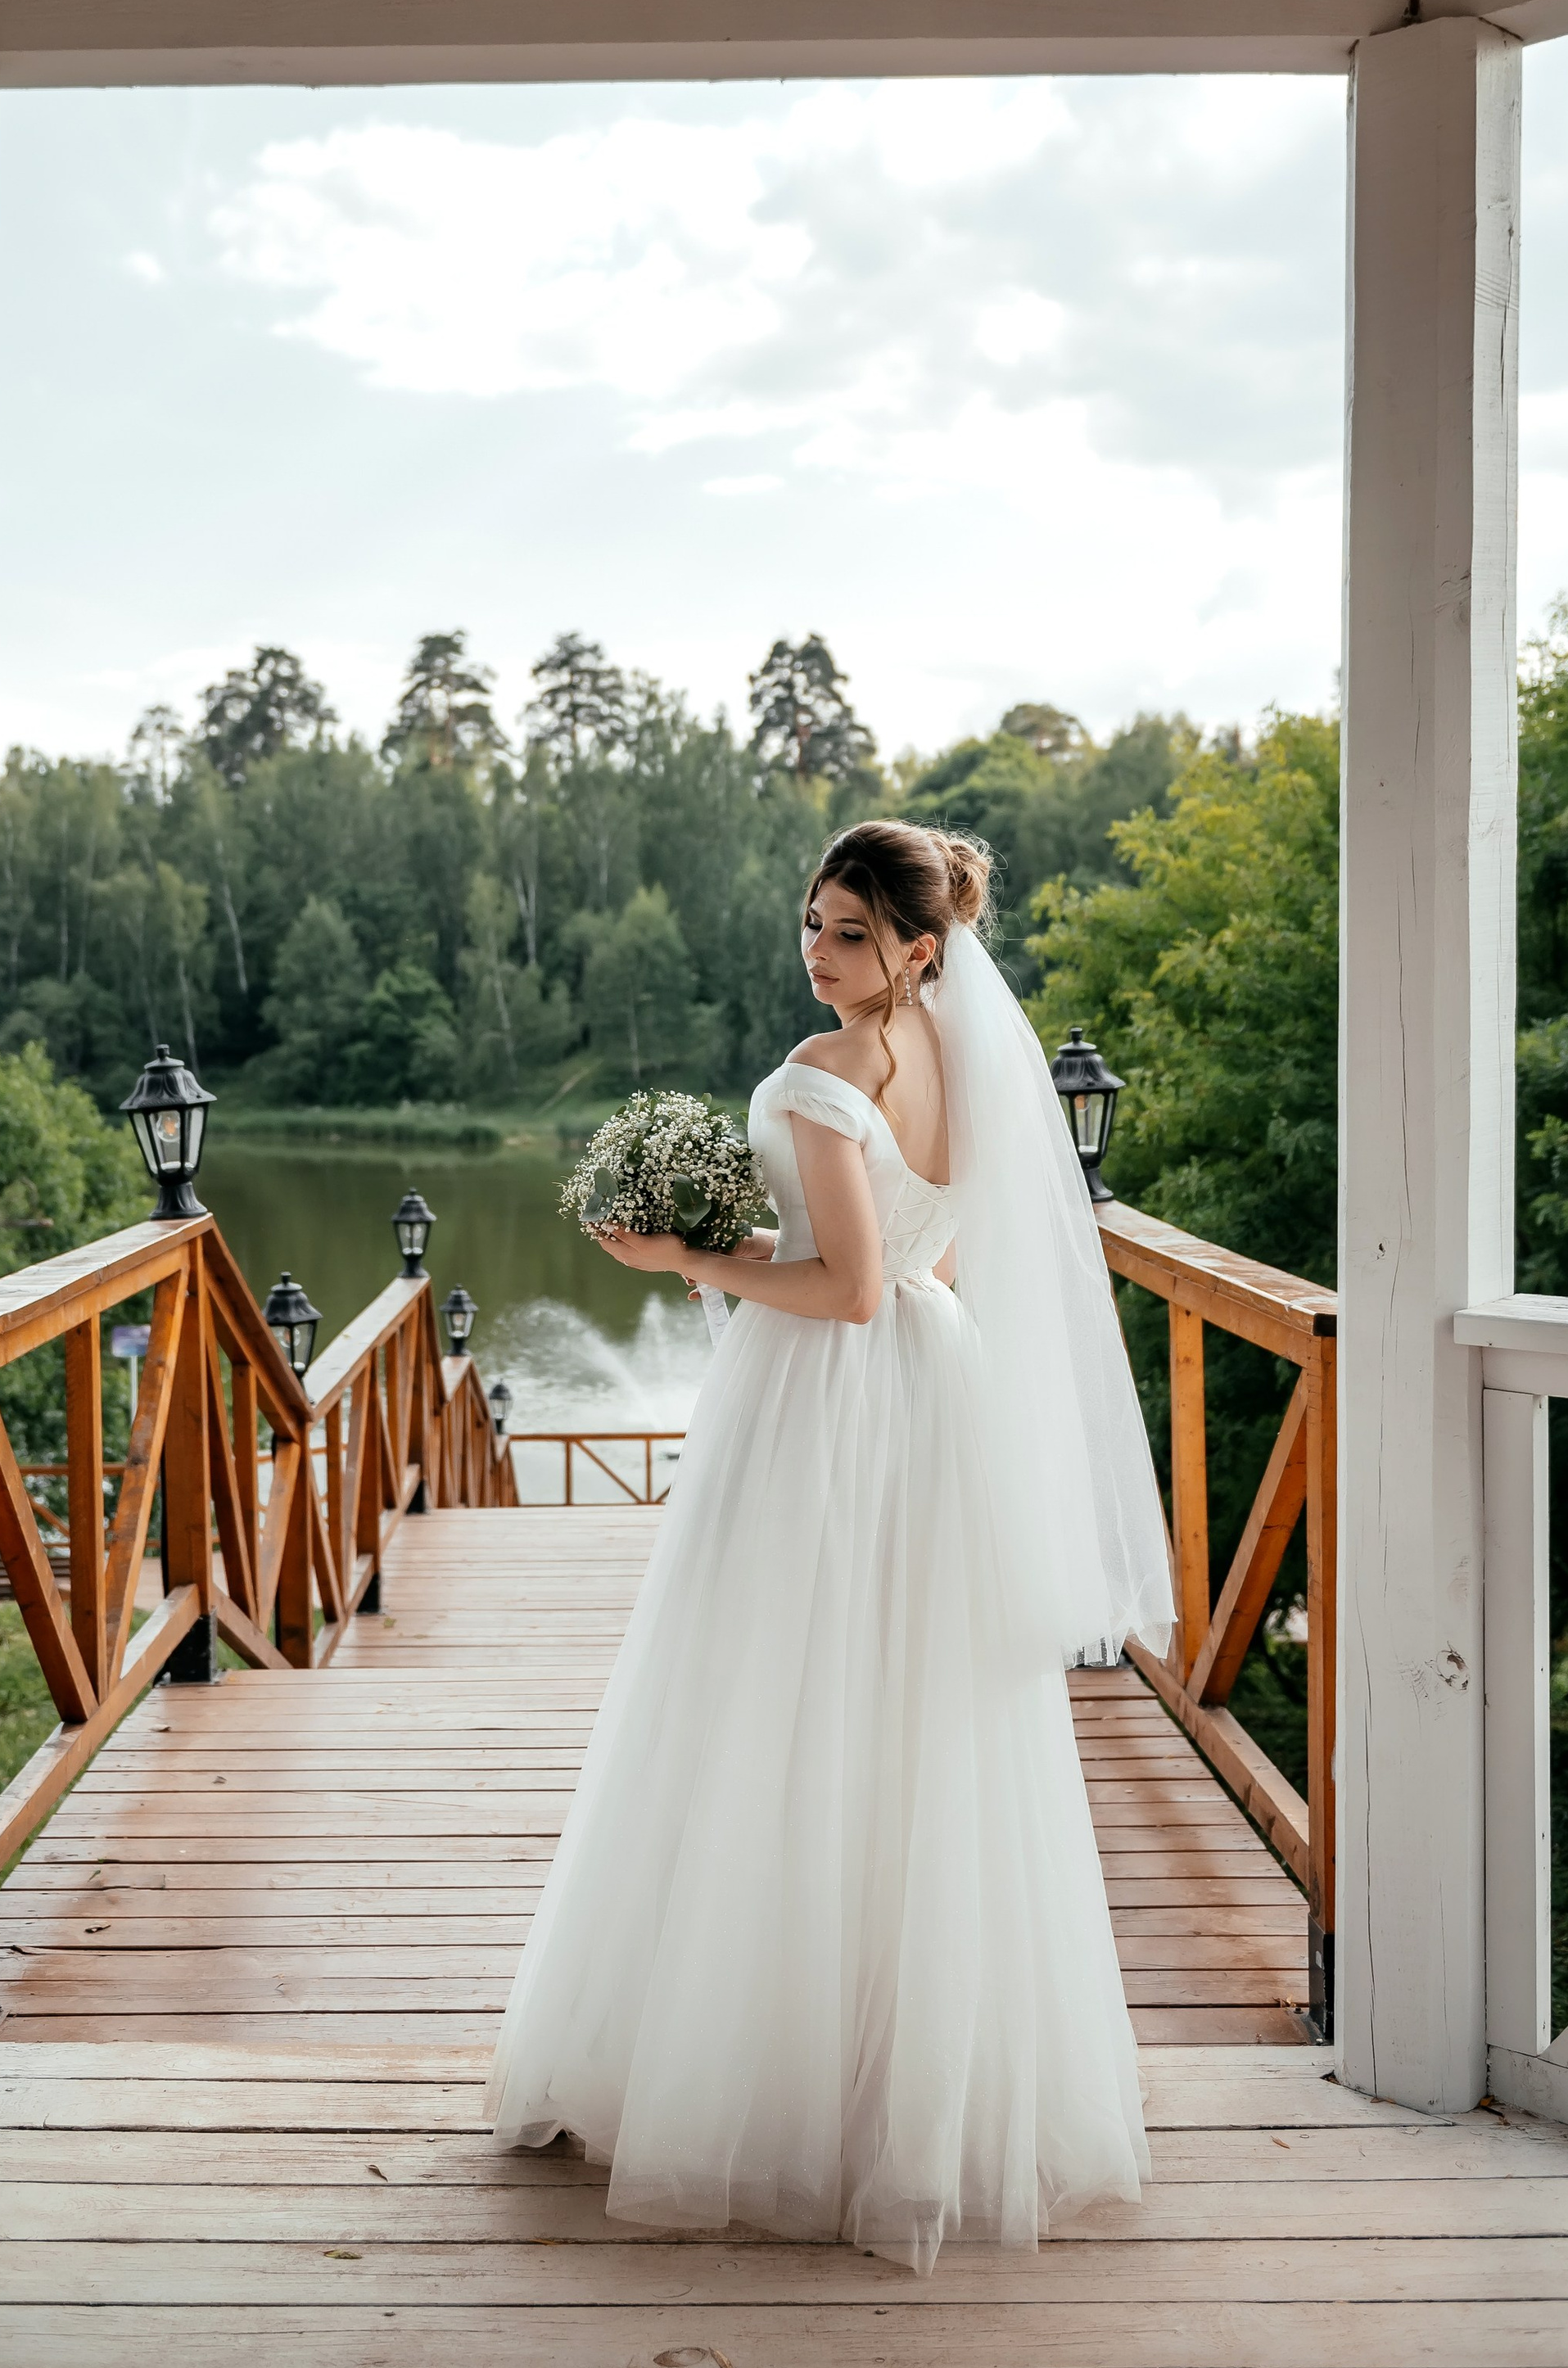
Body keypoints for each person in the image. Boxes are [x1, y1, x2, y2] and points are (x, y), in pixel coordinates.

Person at [486, 820, 1177, 2274]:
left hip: (826, 1402)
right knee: (918, 1720)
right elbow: (930, 1264)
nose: (819, 951)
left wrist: (683, 1257)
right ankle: (903, 2102)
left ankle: (761, 2092)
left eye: (852, 932)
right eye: (812, 922)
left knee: (767, 1698)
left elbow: (849, 1290)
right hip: (939, 1398)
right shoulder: (963, 1062)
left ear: (920, 948)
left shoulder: (820, 1076)